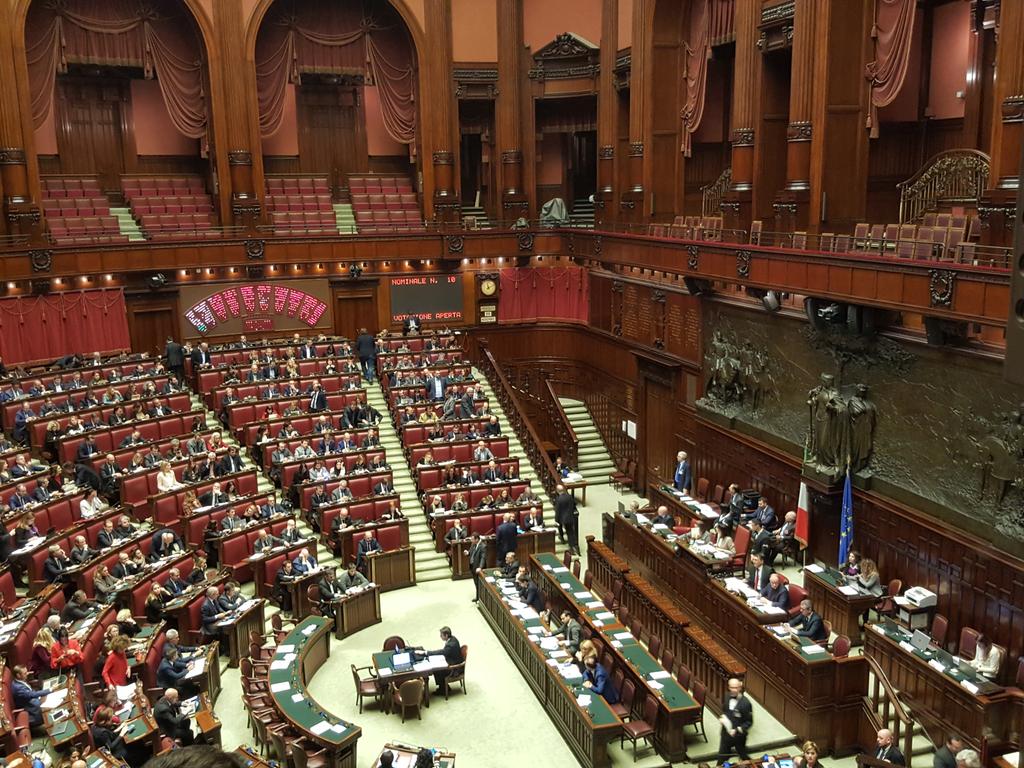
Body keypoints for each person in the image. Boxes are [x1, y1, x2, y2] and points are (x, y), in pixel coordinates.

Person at [717, 677, 753, 762]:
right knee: (721, 758)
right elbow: (725, 711)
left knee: (743, 756)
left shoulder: (746, 703)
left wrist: (736, 730)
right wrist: (722, 718)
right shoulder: (726, 696)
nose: (733, 690)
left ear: (740, 688)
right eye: (731, 687)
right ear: (728, 687)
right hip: (726, 734)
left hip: (739, 737)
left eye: (736, 688)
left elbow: (749, 722)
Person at [429, 626, 463, 694]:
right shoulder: (453, 638)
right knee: (438, 667)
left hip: (455, 668)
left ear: (446, 635)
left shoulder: (451, 645)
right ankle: (443, 687)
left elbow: (443, 652)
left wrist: (428, 653)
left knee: (437, 669)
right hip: (453, 660)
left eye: (441, 635)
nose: (440, 636)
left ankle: (443, 689)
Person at [555, 484, 579, 555]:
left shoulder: (559, 499)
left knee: (560, 526)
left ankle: (562, 538)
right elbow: (575, 504)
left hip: (562, 518)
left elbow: (558, 510)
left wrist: (556, 520)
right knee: (570, 532)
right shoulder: (570, 497)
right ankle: (571, 546)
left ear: (557, 491)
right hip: (570, 517)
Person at [468, 533, 487, 602]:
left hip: (478, 568)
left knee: (480, 584)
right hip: (473, 567)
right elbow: (471, 552)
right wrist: (467, 553)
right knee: (476, 583)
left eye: (472, 539)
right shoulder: (473, 544)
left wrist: (480, 567)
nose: (471, 541)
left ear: (477, 539)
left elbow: (483, 558)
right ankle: (478, 597)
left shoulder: (483, 546)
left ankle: (480, 598)